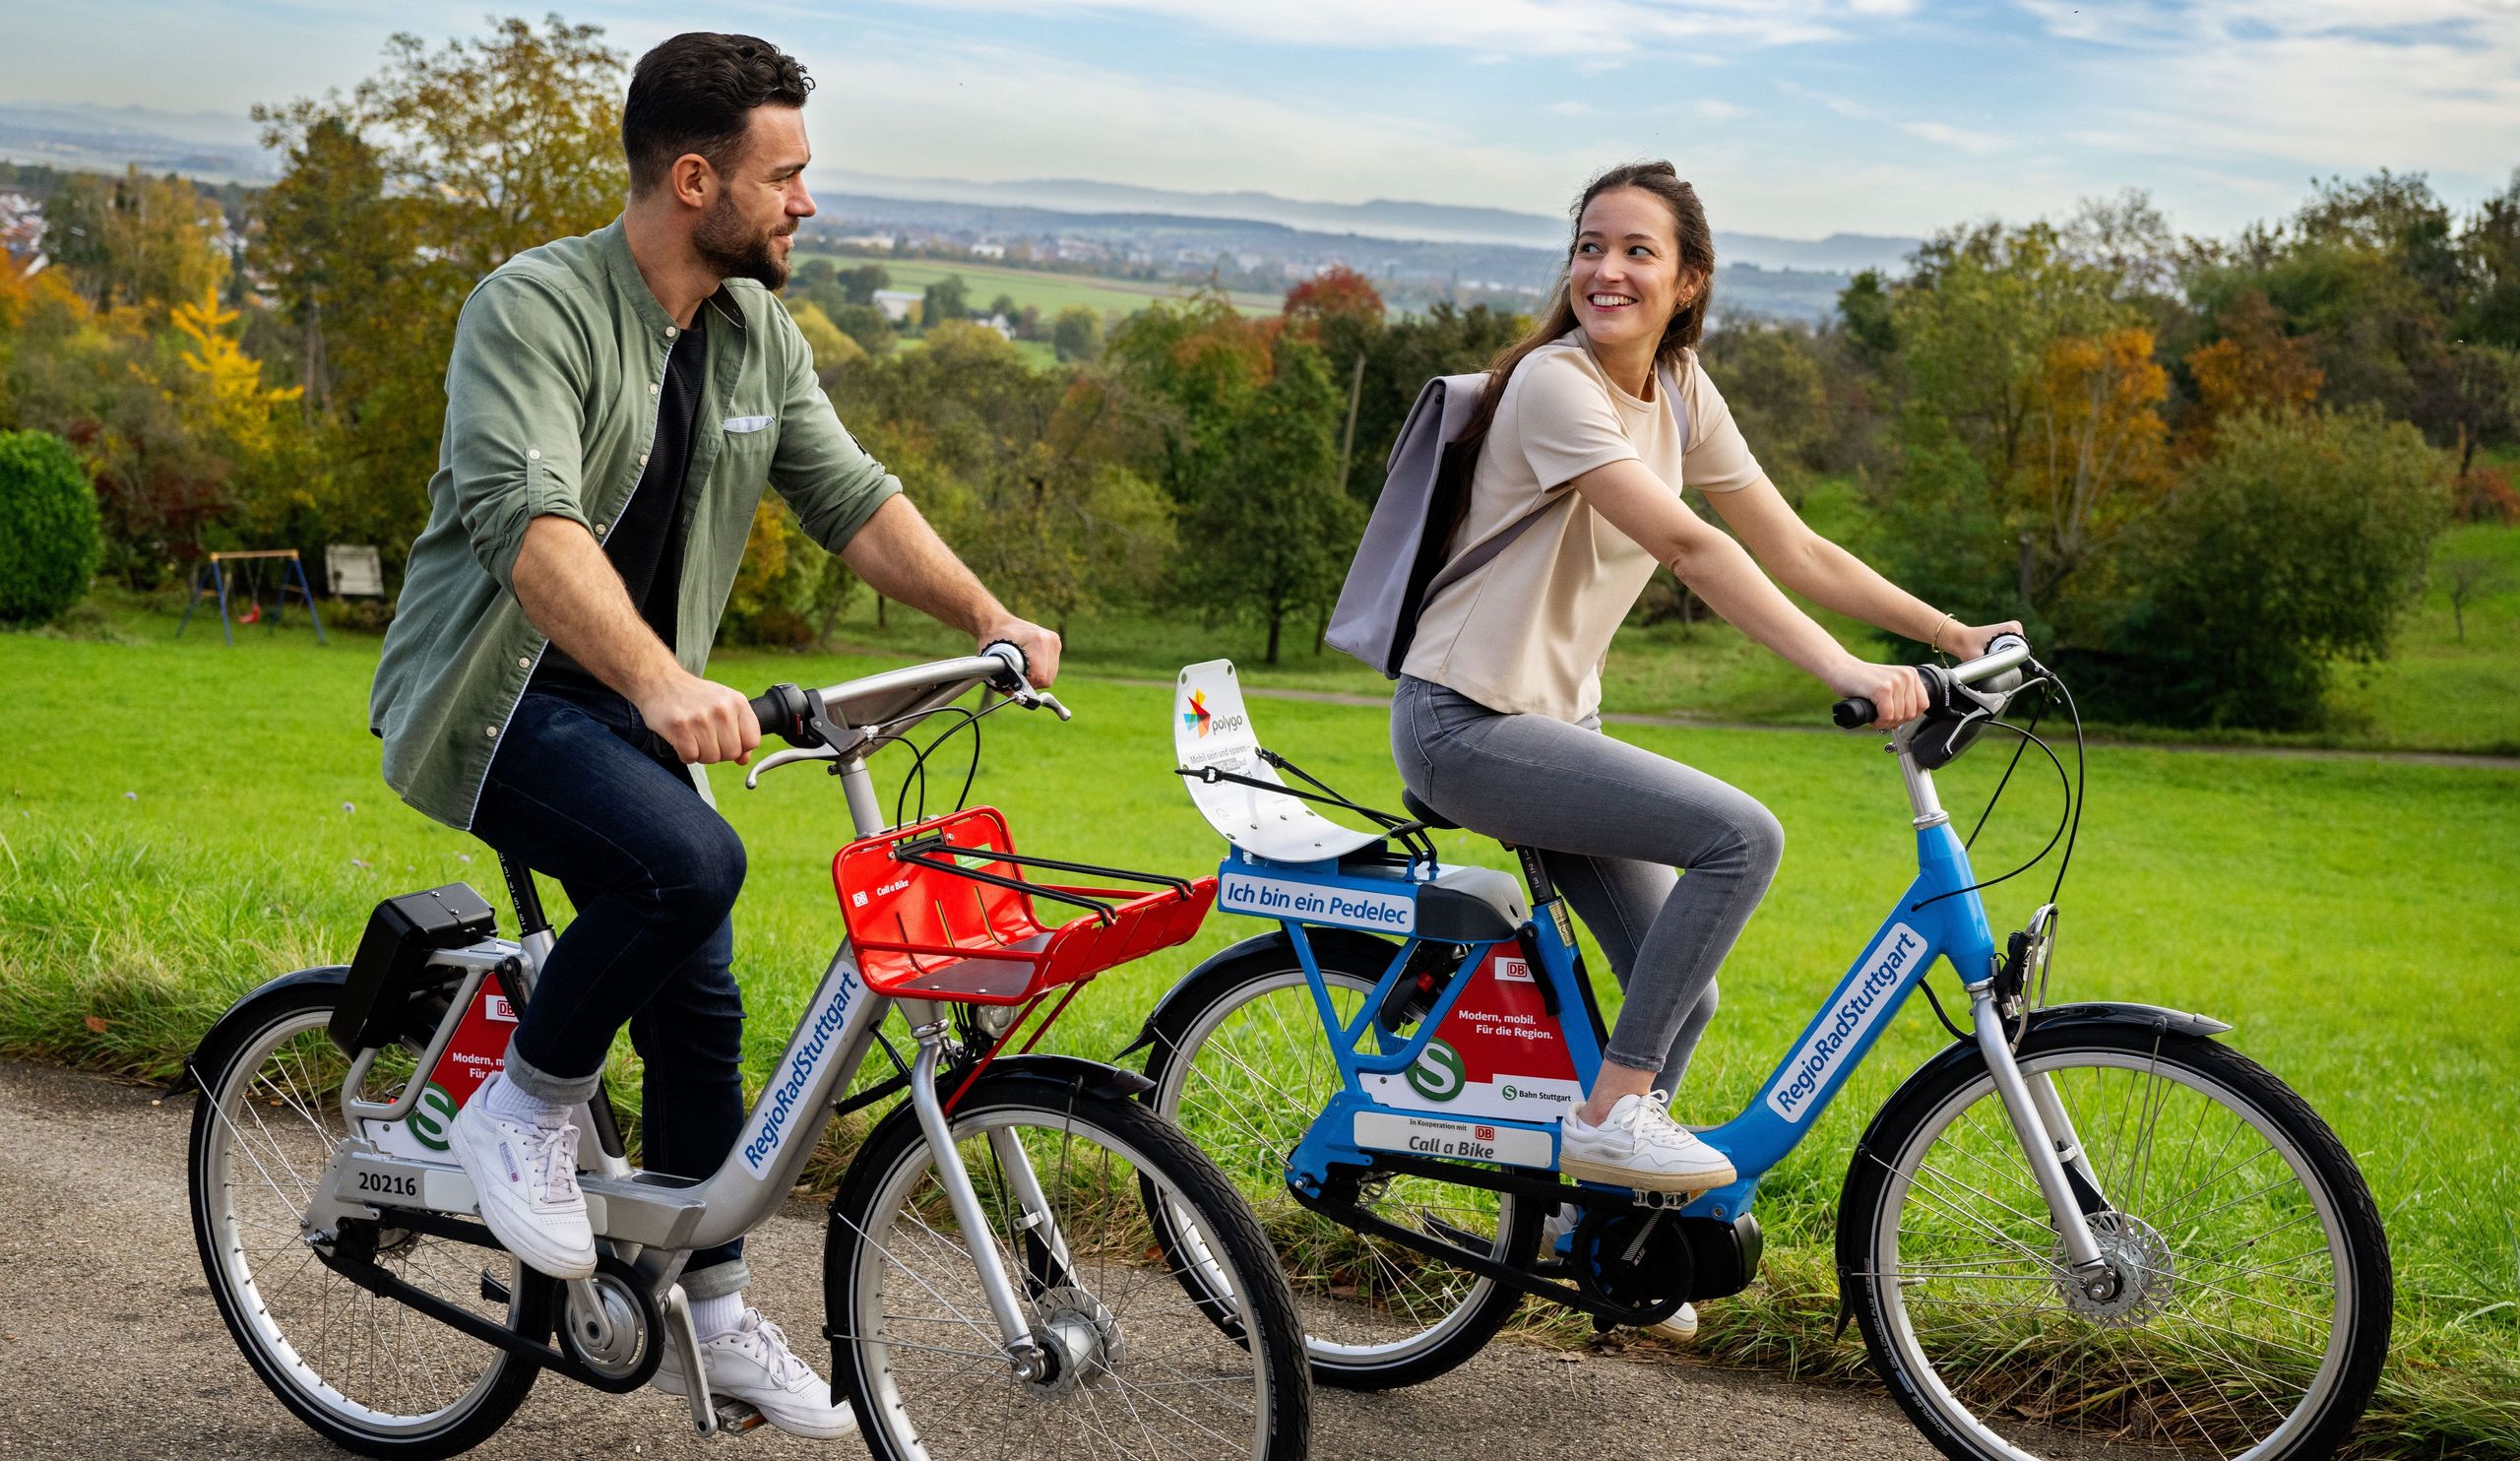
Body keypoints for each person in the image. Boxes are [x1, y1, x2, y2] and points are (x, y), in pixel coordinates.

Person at [367, 32, 1061, 1437]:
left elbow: (852, 499)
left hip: (627, 702)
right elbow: (531, 525)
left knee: (705, 999)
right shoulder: (534, 308)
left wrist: (992, 610)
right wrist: (661, 682)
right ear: (697, 180)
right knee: (689, 872)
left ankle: (713, 1312)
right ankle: (523, 1107)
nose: (806, 202)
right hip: (498, 700)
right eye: (785, 174)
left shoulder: (752, 332)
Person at [1387, 160, 2017, 1340]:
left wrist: (1944, 634)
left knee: (1691, 988)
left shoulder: (1677, 387)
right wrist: (1842, 671)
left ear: (1687, 283)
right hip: (1463, 722)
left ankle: (1603, 1233)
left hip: (1548, 724)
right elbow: (1691, 544)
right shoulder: (1552, 388)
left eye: (1635, 251)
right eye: (1588, 246)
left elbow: (1789, 540)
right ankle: (1613, 1117)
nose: (1604, 270)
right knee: (1740, 835)